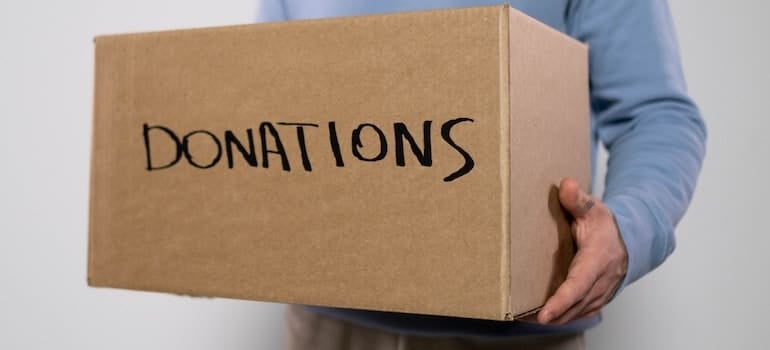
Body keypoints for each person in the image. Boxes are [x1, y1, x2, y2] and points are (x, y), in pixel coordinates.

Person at [257, 0, 707, 349]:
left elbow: (652, 114)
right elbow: (262, 95)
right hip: (326, 320)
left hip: (525, 323)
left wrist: (630, 227)